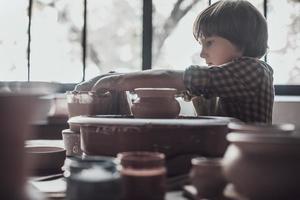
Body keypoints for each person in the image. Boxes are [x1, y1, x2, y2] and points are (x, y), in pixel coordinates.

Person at [75, 0, 274, 123]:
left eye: (209, 43)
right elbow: (165, 86)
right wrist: (118, 82)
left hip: (248, 162)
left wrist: (115, 81)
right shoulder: (220, 79)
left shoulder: (254, 71)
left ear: (241, 39)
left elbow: (169, 77)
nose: (203, 54)